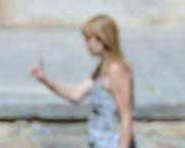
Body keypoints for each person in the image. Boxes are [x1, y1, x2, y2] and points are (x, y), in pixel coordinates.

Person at [28, 14, 135, 148]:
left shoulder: (117, 69)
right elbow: (76, 94)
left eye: (89, 39)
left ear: (103, 39)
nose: (87, 44)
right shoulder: (103, 68)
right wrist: (45, 81)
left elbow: (126, 117)